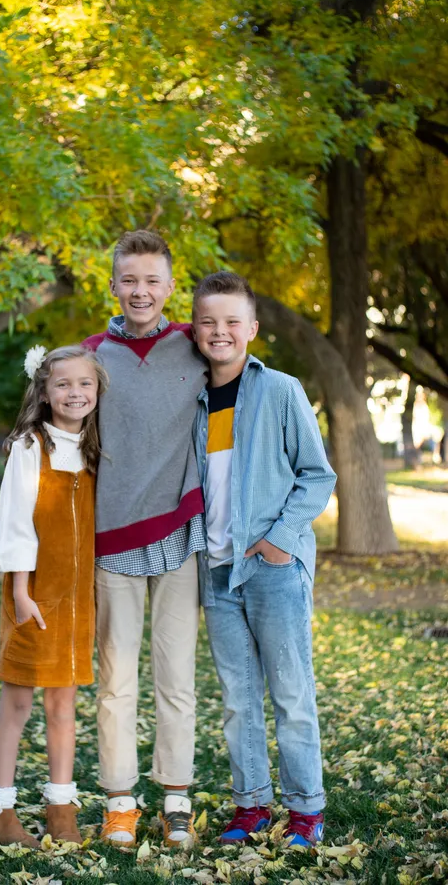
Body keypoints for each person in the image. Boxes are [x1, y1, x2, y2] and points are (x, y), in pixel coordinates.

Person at [192, 271, 337, 847]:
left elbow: (316, 474)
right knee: (237, 698)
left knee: (290, 692)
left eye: (232, 321)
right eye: (209, 321)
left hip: (273, 568)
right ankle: (250, 806)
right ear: (195, 329)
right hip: (217, 570)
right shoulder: (193, 397)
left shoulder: (281, 390)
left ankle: (306, 811)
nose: (220, 331)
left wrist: (280, 538)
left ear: (251, 328)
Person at [83, 230, 208, 848]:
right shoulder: (89, 357)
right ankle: (121, 800)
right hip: (113, 541)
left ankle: (177, 798)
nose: (140, 291)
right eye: (129, 279)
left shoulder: (195, 345)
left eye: (152, 280)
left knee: (176, 675)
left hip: (180, 535)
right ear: (112, 285)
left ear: (169, 286)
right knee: (115, 680)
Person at [0, 344, 108, 848]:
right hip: (34, 595)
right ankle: (0, 813)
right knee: (16, 703)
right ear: (44, 390)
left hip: (79, 601)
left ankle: (61, 809)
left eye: (84, 384)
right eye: (63, 384)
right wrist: (20, 591)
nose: (74, 393)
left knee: (64, 706)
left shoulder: (96, 448)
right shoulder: (30, 446)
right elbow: (14, 523)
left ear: (97, 390)